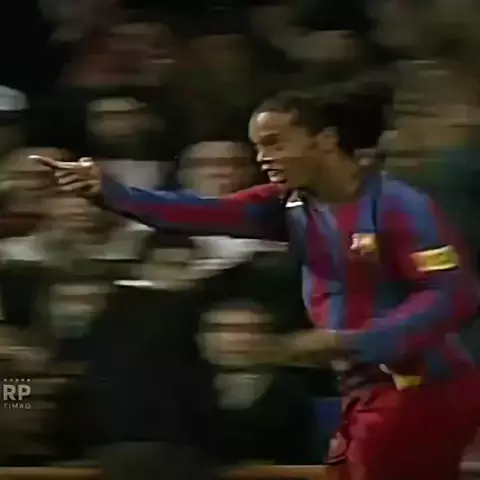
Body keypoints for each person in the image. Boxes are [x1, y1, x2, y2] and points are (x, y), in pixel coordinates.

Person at [35, 78, 480, 480]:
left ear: (325, 140)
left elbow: (453, 295)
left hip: (425, 388)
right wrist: (110, 192)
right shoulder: (288, 206)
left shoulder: (401, 207)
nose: (262, 158)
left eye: (274, 143)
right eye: (258, 147)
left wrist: (353, 341)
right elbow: (198, 212)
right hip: (363, 389)